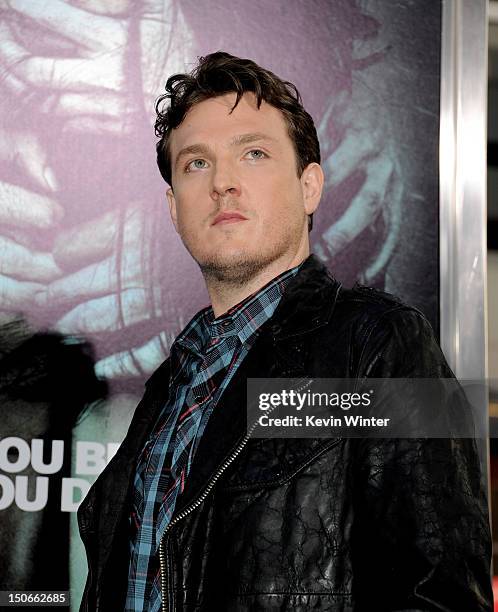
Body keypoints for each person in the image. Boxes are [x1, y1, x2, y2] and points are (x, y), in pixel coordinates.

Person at [77, 51, 492, 611]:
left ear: (310, 187)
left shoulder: (382, 344)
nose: (223, 182)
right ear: (173, 209)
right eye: (196, 163)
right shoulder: (170, 386)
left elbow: (439, 596)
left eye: (253, 154)